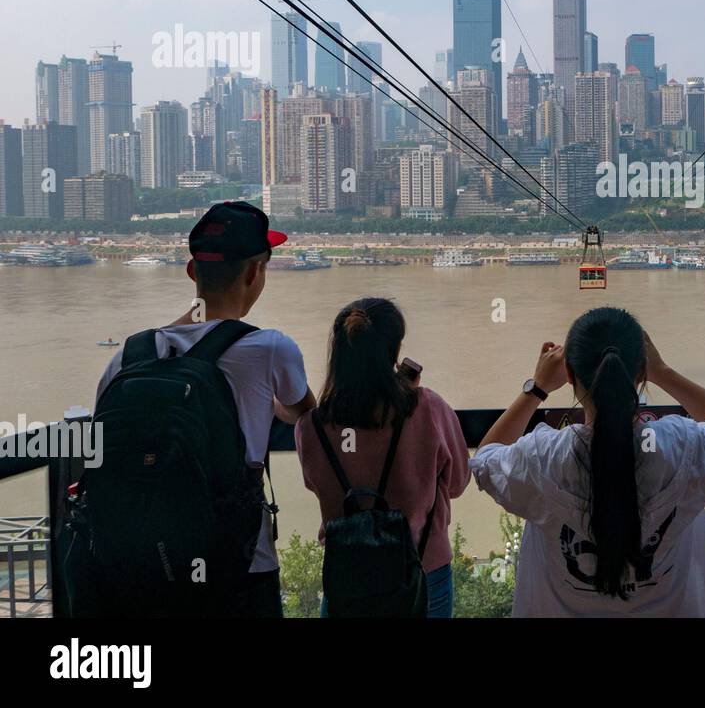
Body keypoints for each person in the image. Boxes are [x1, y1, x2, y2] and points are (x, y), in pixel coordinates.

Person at [93, 201, 316, 616]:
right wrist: (264, 408)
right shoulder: (270, 349)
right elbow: (305, 413)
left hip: (139, 570)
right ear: (255, 273)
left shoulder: (128, 356)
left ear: (193, 272)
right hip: (240, 569)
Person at [469, 307, 705, 616]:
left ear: (570, 375)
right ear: (640, 372)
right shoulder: (678, 447)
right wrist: (662, 372)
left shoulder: (544, 457)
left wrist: (536, 389)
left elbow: (484, 460)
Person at [296, 297, 469, 617]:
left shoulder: (312, 426)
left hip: (349, 578)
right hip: (422, 571)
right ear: (395, 350)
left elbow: (314, 483)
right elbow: (458, 483)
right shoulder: (428, 408)